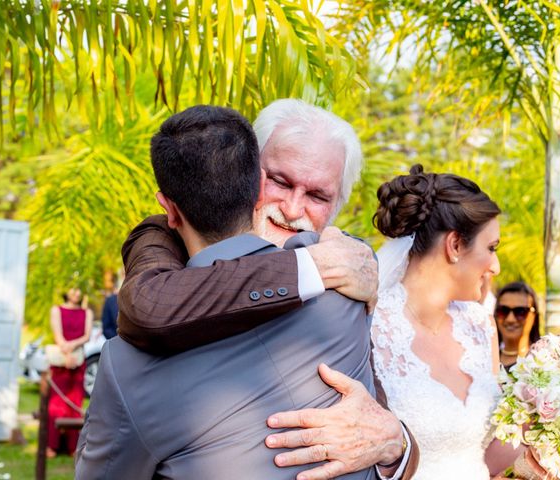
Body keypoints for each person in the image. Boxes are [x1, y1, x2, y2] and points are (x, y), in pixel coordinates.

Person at [75, 105, 411, 479]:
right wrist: (310, 268)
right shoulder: (163, 265)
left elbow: (377, 410)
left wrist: (396, 443)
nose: (292, 208)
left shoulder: (353, 286)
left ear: (337, 207)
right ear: (248, 175)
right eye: (280, 182)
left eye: (317, 196)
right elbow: (150, 303)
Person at [365, 165, 530, 478]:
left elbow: (484, 458)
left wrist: (542, 412)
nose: (495, 266)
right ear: (455, 246)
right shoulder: (370, 327)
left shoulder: (480, 325)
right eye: (491, 248)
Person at [47, 287, 93, 458]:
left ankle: (73, 446)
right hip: (61, 361)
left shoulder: (86, 312)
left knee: (75, 403)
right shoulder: (56, 310)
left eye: (78, 289)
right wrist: (65, 353)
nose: (76, 292)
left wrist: (72, 349)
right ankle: (53, 445)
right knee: (56, 404)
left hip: (77, 359)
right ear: (66, 290)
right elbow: (57, 334)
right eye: (73, 289)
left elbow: (87, 336)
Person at [494, 281, 541, 370]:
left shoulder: (544, 362)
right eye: (503, 311)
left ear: (534, 316)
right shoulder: (483, 361)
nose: (510, 319)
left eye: (520, 312)